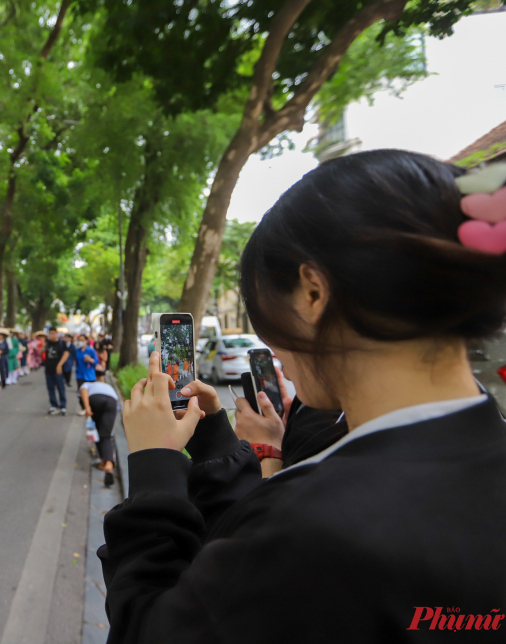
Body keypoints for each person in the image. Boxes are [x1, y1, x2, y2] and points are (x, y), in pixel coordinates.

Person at [100, 150, 506, 642]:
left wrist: (154, 466)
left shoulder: (317, 529)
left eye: (265, 312)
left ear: (313, 292)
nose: (272, 348)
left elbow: (149, 626)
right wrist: (212, 439)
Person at [79, 379, 119, 487]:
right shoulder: (108, 387)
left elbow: (83, 390)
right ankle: (108, 464)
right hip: (112, 401)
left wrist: (87, 408)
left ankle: (102, 461)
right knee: (106, 436)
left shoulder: (87, 384)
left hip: (95, 400)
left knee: (95, 432)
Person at [42, 327, 69, 415]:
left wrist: (60, 365)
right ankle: (54, 405)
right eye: (50, 334)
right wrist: (43, 345)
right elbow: (41, 352)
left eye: (53, 333)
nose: (51, 335)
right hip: (48, 369)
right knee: (50, 388)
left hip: (58, 369)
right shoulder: (47, 343)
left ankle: (63, 405)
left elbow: (66, 353)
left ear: (56, 333)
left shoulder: (61, 343)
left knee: (60, 387)